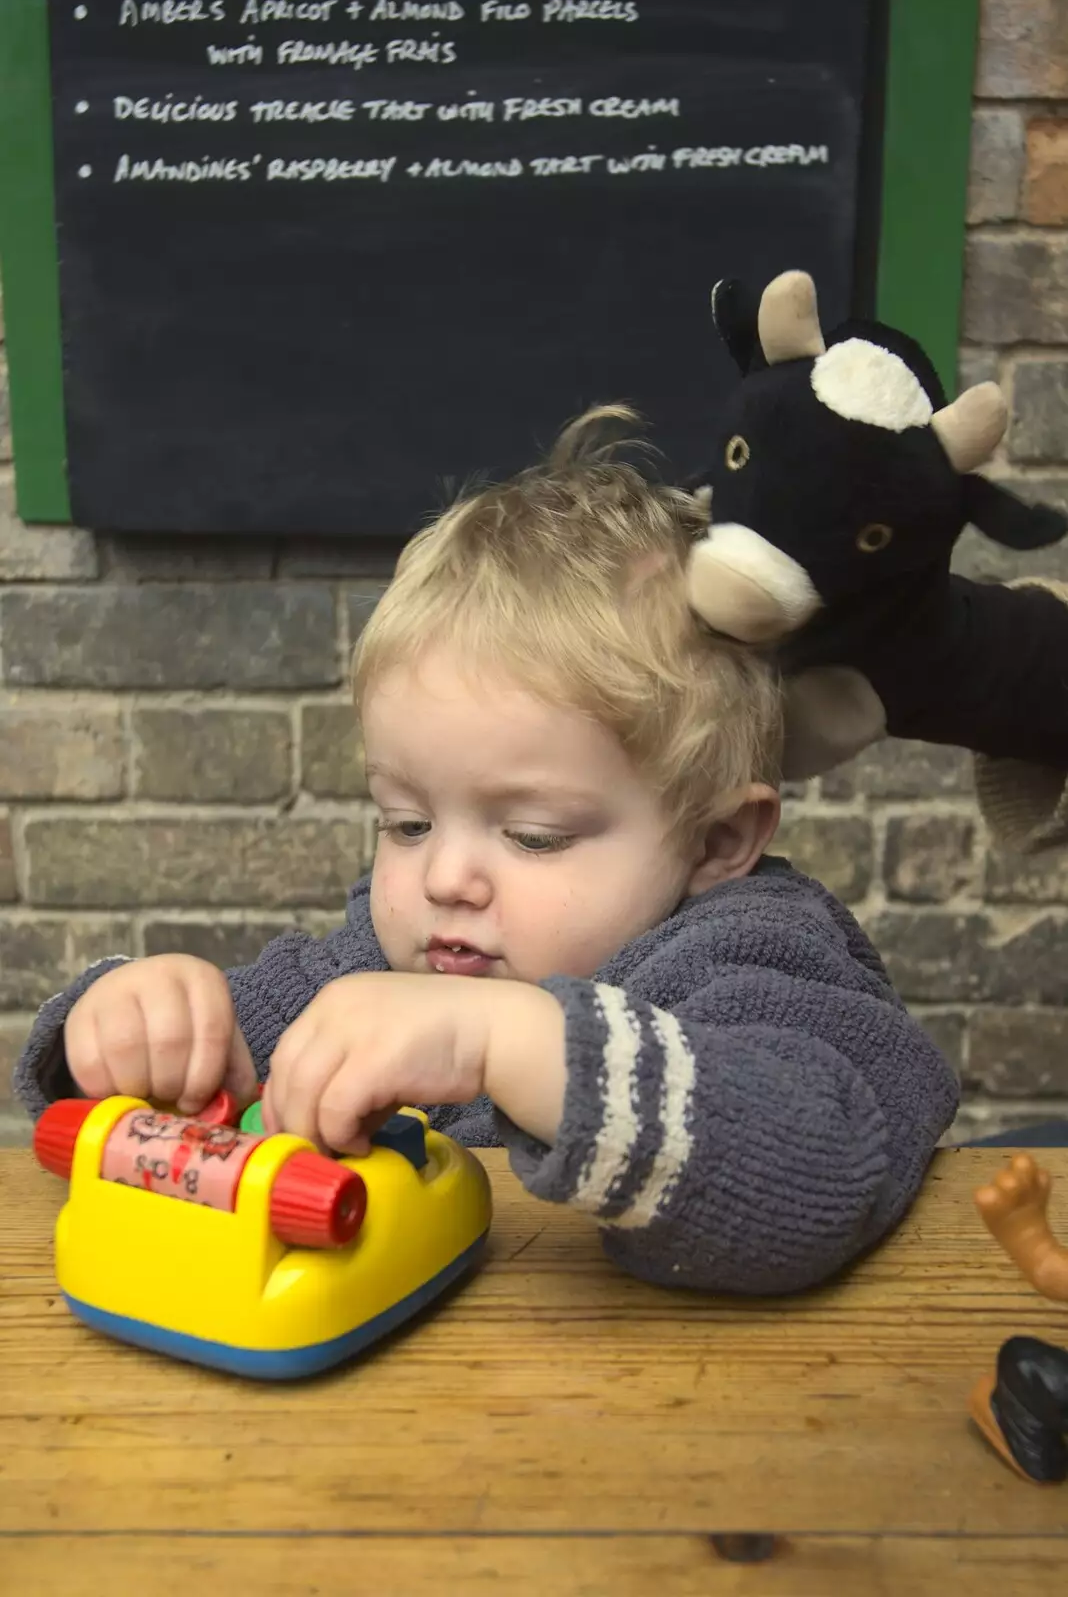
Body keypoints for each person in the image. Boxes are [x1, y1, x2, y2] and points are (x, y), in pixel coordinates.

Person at [13, 406, 959, 1294]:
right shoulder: (376, 957)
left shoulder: (753, 954)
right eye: (408, 822)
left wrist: (502, 1042)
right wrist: (136, 1024)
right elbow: (190, 1073)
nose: (445, 878)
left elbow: (827, 1165)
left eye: (532, 835)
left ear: (717, 838)